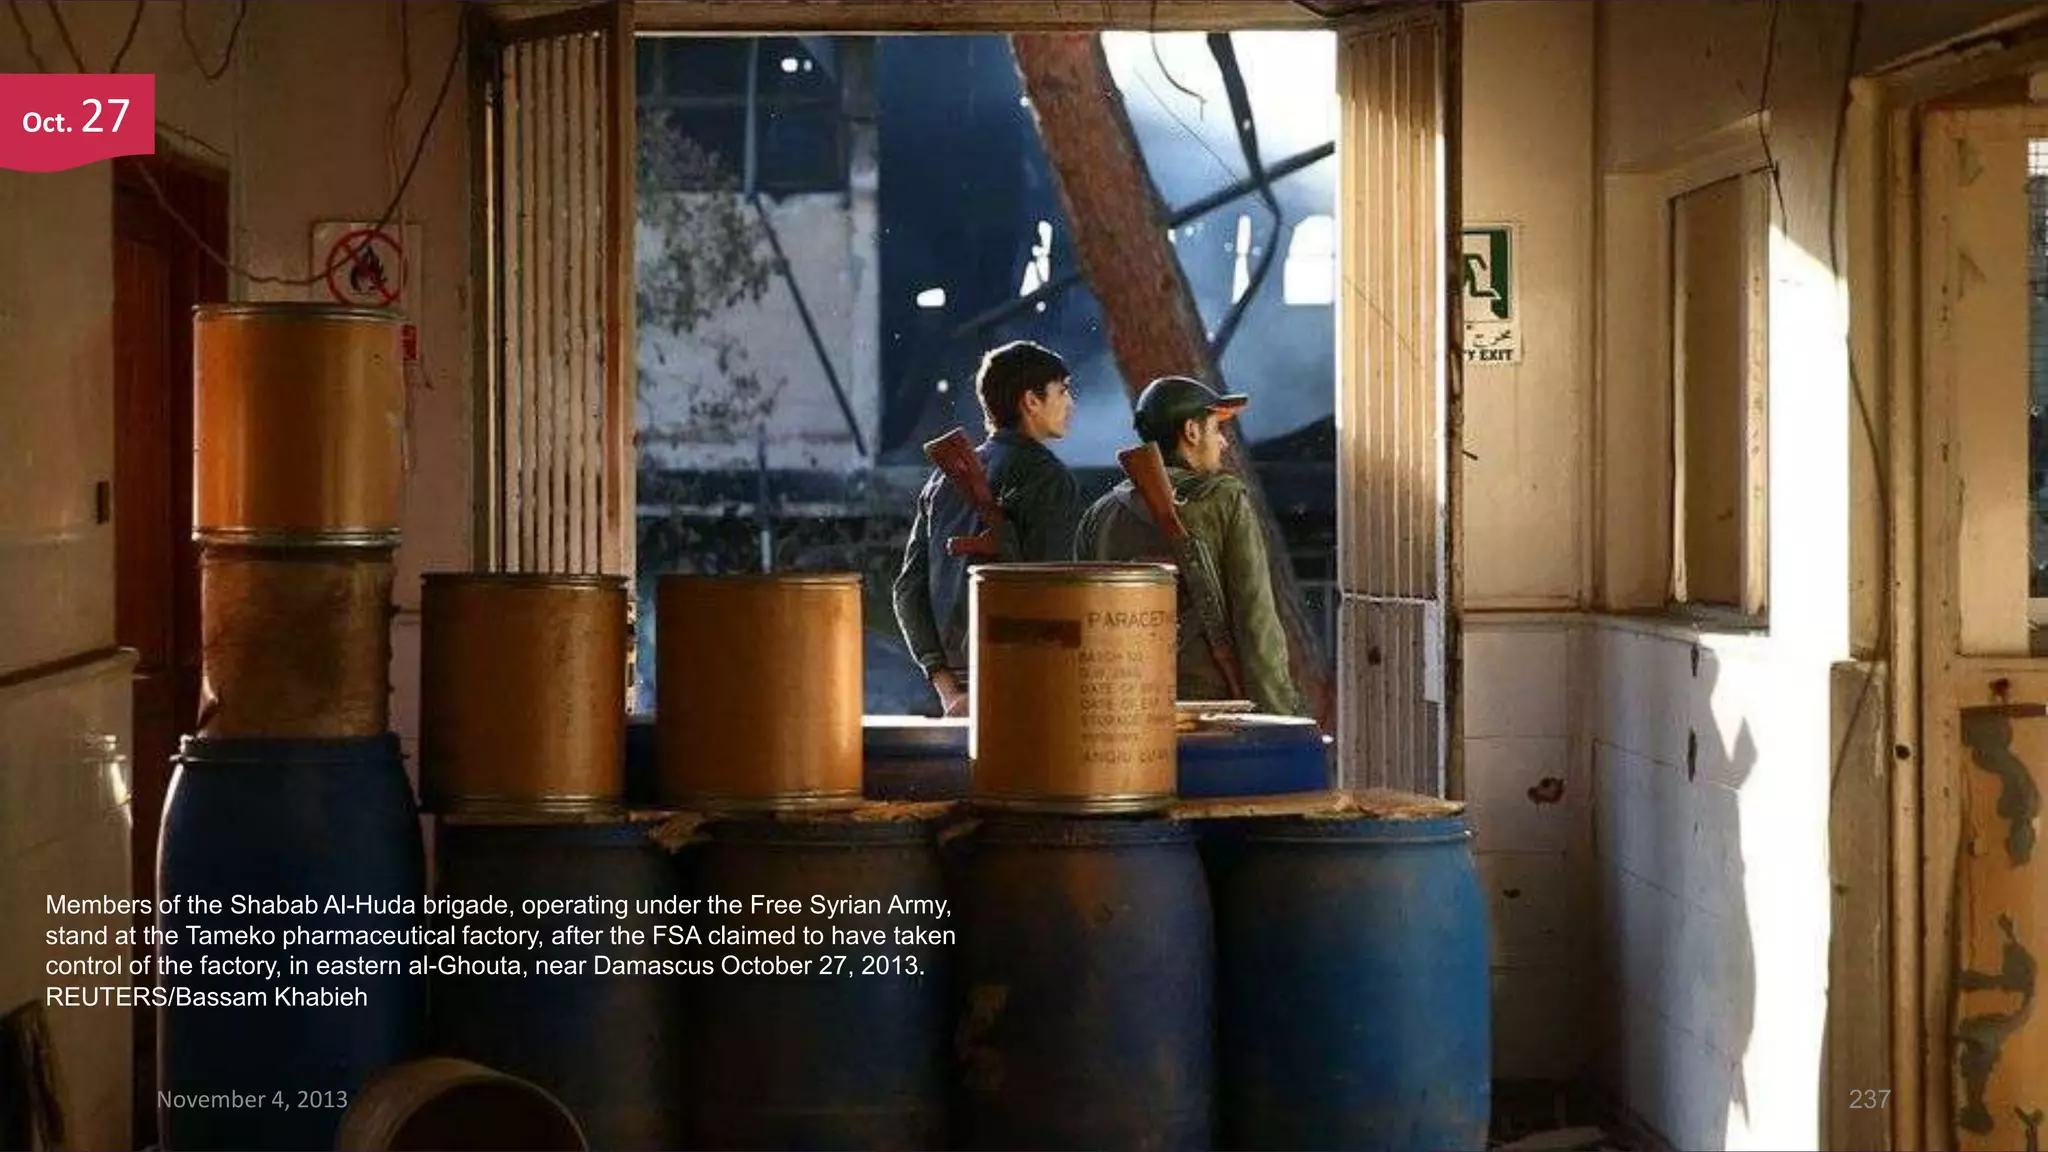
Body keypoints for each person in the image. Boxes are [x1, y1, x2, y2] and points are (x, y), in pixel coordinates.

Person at [1075, 375, 1299, 715]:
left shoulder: (1098, 515)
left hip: (1125, 716)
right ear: (1192, 432)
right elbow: (1256, 624)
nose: (1223, 443)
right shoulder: (1223, 498)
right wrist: (1281, 721)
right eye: (1214, 429)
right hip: (1212, 713)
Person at [893, 340, 1079, 716]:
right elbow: (1057, 598)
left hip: (957, 699)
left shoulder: (943, 478)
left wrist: (949, 691)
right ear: (1031, 401)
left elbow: (908, 592)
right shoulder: (1047, 477)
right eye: (1062, 391)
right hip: (1028, 694)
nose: (1070, 403)